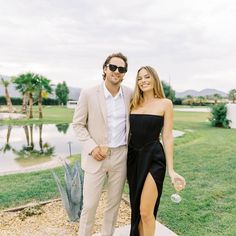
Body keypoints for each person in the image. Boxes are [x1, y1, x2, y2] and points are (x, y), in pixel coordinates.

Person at [73, 52, 132, 236]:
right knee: (89, 206)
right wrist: (92, 148)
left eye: (121, 69)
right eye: (113, 67)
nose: (116, 71)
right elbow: (78, 125)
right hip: (95, 157)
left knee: (113, 206)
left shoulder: (130, 93)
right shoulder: (89, 93)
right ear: (105, 69)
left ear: (124, 73)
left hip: (120, 156)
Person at [127, 66, 186, 236]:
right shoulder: (133, 102)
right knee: (137, 210)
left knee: (146, 211)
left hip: (154, 158)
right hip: (133, 159)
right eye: (139, 78)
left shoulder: (165, 103)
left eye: (147, 77)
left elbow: (167, 136)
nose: (143, 81)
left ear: (154, 79)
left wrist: (171, 170)